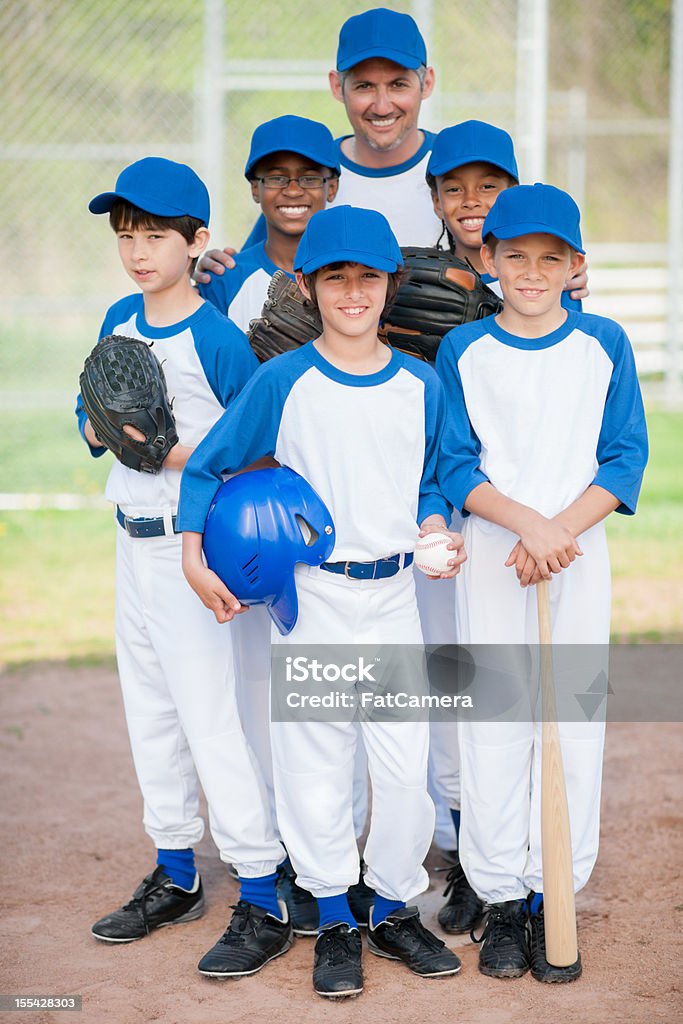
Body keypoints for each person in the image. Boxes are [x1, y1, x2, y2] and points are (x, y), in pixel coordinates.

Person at [178, 204, 465, 998]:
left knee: (404, 772)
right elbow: (209, 466)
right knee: (316, 766)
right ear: (305, 287)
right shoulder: (284, 379)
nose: (350, 292)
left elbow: (436, 476)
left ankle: (393, 906)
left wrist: (438, 523)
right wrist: (194, 556)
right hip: (313, 595)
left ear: (390, 286)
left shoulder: (420, 382)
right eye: (333, 276)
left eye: (366, 277)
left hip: (396, 594)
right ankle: (335, 915)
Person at [76, 156, 294, 979]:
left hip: (188, 545)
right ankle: (174, 873)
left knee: (211, 722)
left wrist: (163, 447)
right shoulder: (116, 315)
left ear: (197, 241)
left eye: (158, 236)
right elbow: (93, 419)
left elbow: (251, 452)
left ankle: (263, 891)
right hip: (128, 546)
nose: (139, 252)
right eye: (127, 235)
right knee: (152, 716)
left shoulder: (214, 337)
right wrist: (108, 427)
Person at [436, 183, 648, 982]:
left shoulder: (602, 343)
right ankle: (497, 901)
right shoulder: (467, 350)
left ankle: (548, 894)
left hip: (577, 559)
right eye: (513, 255)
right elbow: (454, 460)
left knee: (571, 726)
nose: (529, 271)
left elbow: (623, 455)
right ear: (487, 260)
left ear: (574, 266)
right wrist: (529, 525)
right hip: (495, 556)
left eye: (548, 258)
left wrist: (558, 531)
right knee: (494, 727)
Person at [195, 8, 589, 301]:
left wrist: (562, 276)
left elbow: (532, 248)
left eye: (398, 84)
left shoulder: (456, 166)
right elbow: (259, 266)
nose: (382, 105)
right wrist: (214, 265)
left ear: (427, 81)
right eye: (365, 86)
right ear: (337, 86)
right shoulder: (314, 175)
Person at [199, 114, 340, 331]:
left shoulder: (354, 277)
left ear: (331, 187)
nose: (293, 191)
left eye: (309, 178)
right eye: (276, 178)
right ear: (256, 189)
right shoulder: (226, 279)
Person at [427, 118, 581, 309]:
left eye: (487, 186)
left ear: (511, 193)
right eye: (454, 189)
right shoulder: (423, 280)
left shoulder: (546, 283)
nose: (470, 201)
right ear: (437, 202)